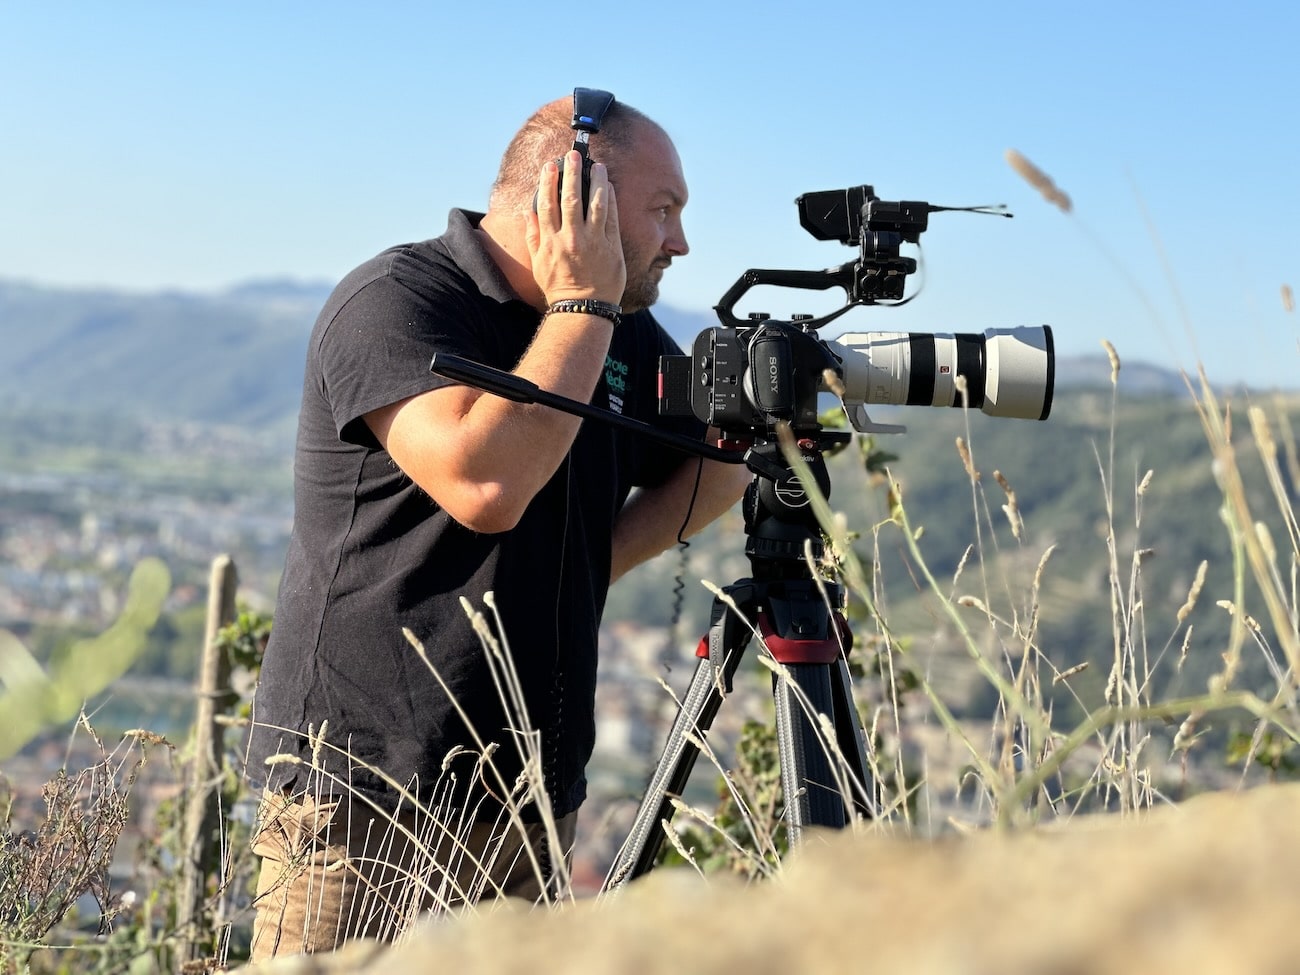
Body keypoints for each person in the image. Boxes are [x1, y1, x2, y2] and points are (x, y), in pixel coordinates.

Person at [245, 93, 750, 960]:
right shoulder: (397, 301)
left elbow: (718, 460)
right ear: (571, 195)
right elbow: (486, 481)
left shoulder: (619, 332)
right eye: (663, 209)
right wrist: (582, 307)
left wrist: (603, 557)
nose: (680, 242)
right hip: (368, 797)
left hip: (532, 800)